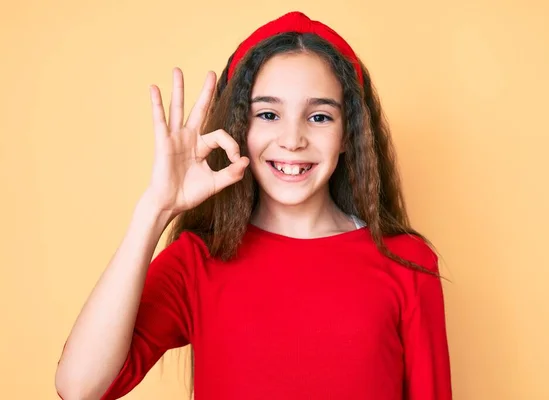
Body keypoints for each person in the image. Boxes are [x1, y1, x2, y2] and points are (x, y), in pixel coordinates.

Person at [55, 10, 452, 400]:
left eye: (318, 116)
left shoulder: (407, 263)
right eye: (268, 114)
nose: (292, 139)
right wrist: (155, 209)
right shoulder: (197, 261)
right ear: (240, 128)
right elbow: (80, 387)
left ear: (349, 134)